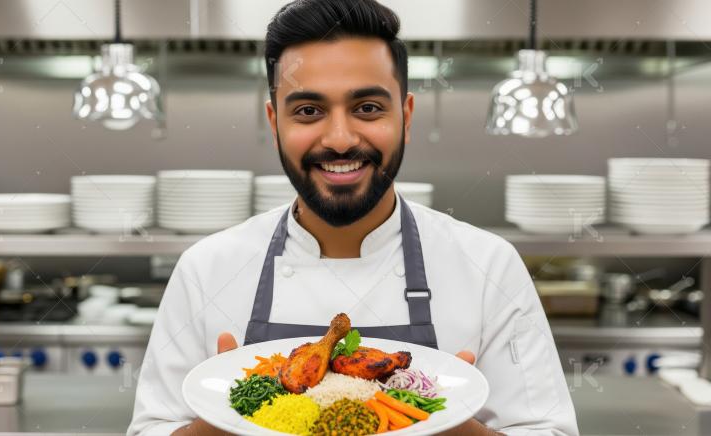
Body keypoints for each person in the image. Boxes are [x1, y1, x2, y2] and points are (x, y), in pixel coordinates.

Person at [128, 0, 579, 435]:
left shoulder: (488, 266)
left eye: (367, 108)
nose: (340, 139)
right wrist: (221, 421)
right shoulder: (207, 269)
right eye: (308, 111)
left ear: (405, 115)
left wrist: (458, 430)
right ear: (274, 122)